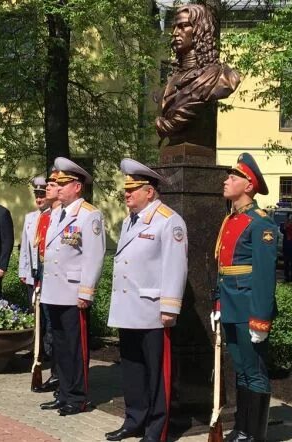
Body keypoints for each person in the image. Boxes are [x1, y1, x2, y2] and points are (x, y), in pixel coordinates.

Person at [105, 159, 188, 442]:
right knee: (132, 369)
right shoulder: (131, 220)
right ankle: (134, 419)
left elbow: (175, 266)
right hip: (129, 310)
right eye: (126, 190)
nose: (126, 194)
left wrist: (170, 307)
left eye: (133, 190)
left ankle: (156, 430)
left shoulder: (169, 220)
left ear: (149, 191)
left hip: (153, 311)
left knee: (156, 374)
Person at [211, 153, 277, 442]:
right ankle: (241, 428)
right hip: (230, 303)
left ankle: (255, 434)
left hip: (249, 306)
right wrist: (217, 301)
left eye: (233, 177)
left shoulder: (260, 223)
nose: (227, 181)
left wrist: (260, 319)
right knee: (241, 369)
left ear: (248, 185)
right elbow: (222, 267)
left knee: (255, 372)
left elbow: (264, 276)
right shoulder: (231, 219)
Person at [39, 157, 105, 416]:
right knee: (60, 347)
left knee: (75, 348)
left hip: (73, 292)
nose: (58, 187)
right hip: (54, 291)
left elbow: (94, 255)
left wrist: (86, 290)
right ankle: (63, 393)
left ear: (77, 186)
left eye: (63, 183)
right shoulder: (56, 213)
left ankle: (77, 398)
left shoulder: (89, 215)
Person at [154, 4, 240, 147]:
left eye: (183, 26)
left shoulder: (219, 77)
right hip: (173, 151)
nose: (175, 32)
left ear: (199, 29)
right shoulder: (169, 83)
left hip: (198, 149)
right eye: (175, 27)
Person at [32, 168, 62, 393]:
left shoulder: (66, 216)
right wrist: (39, 283)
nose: (45, 191)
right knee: (48, 331)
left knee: (58, 333)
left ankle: (61, 375)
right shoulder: (44, 217)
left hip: (64, 286)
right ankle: (55, 373)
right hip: (45, 281)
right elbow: (41, 255)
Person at [18, 176, 48, 307]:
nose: (39, 199)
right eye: (37, 196)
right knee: (33, 309)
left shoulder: (54, 216)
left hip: (47, 274)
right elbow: (25, 246)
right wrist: (22, 271)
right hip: (32, 272)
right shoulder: (30, 218)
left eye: (42, 196)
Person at [279, 214, 292, 282]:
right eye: (291, 219)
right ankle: (286, 277)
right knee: (286, 263)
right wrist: (286, 224)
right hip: (287, 247)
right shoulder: (284, 224)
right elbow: (282, 230)